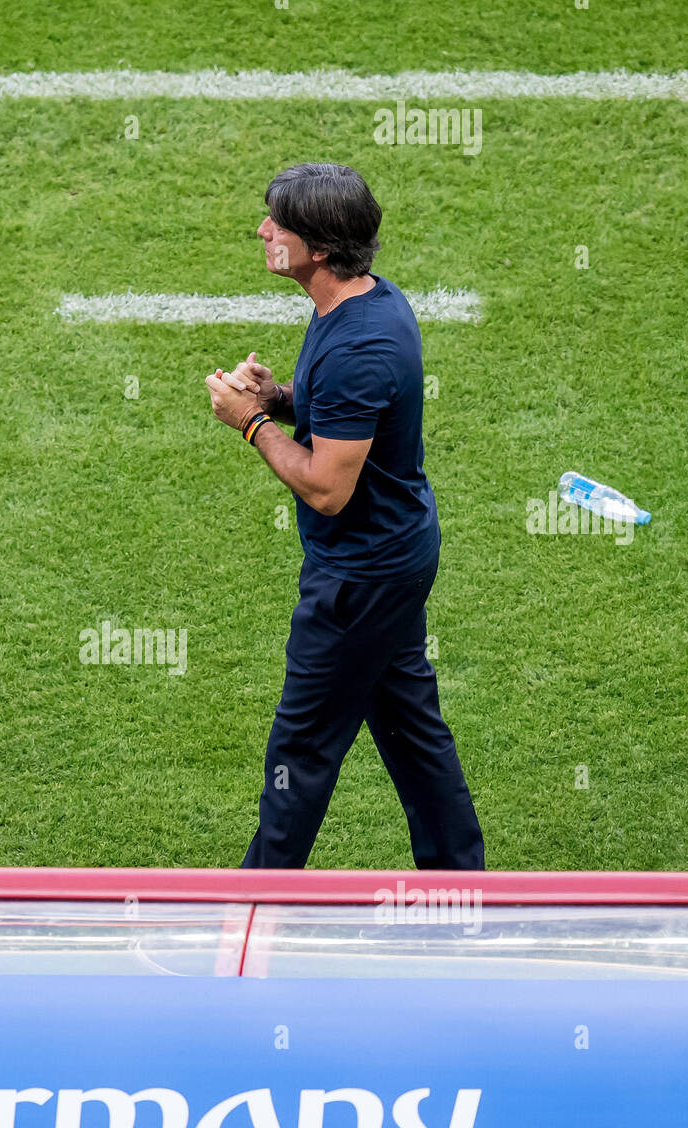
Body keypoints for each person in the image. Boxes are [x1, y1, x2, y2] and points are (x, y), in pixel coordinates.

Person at [204, 162, 485, 871]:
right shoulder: (364, 302)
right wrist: (284, 400)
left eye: (278, 223)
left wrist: (247, 422)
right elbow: (347, 412)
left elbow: (326, 488)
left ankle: (255, 902)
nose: (263, 231)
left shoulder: (358, 344)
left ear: (319, 248)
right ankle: (463, 889)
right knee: (411, 733)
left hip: (359, 576)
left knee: (300, 749)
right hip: (391, 554)